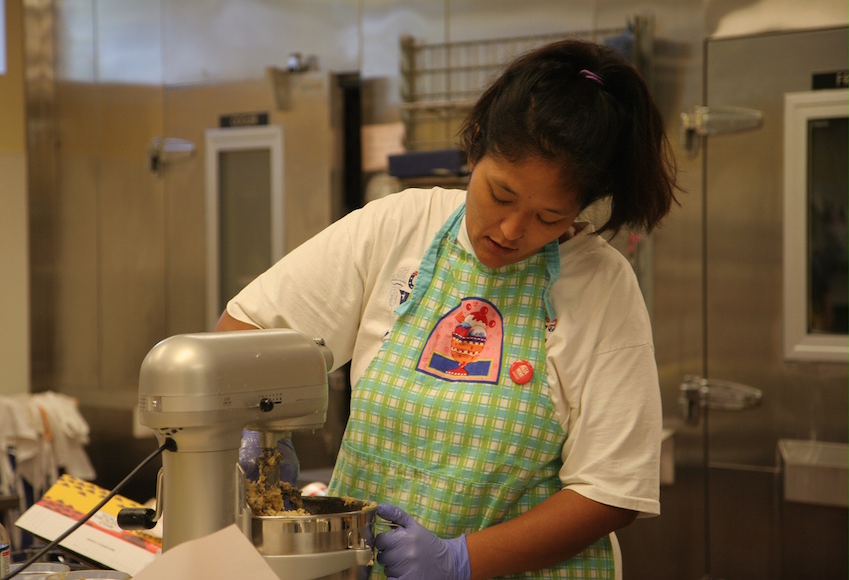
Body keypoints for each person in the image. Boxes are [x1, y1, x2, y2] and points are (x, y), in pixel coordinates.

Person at [217, 38, 680, 580]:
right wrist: (256, 428)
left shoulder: (602, 285)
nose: (511, 231)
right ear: (475, 146)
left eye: (548, 217)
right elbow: (244, 334)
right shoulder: (396, 227)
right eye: (501, 195)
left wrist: (461, 561)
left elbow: (613, 490)